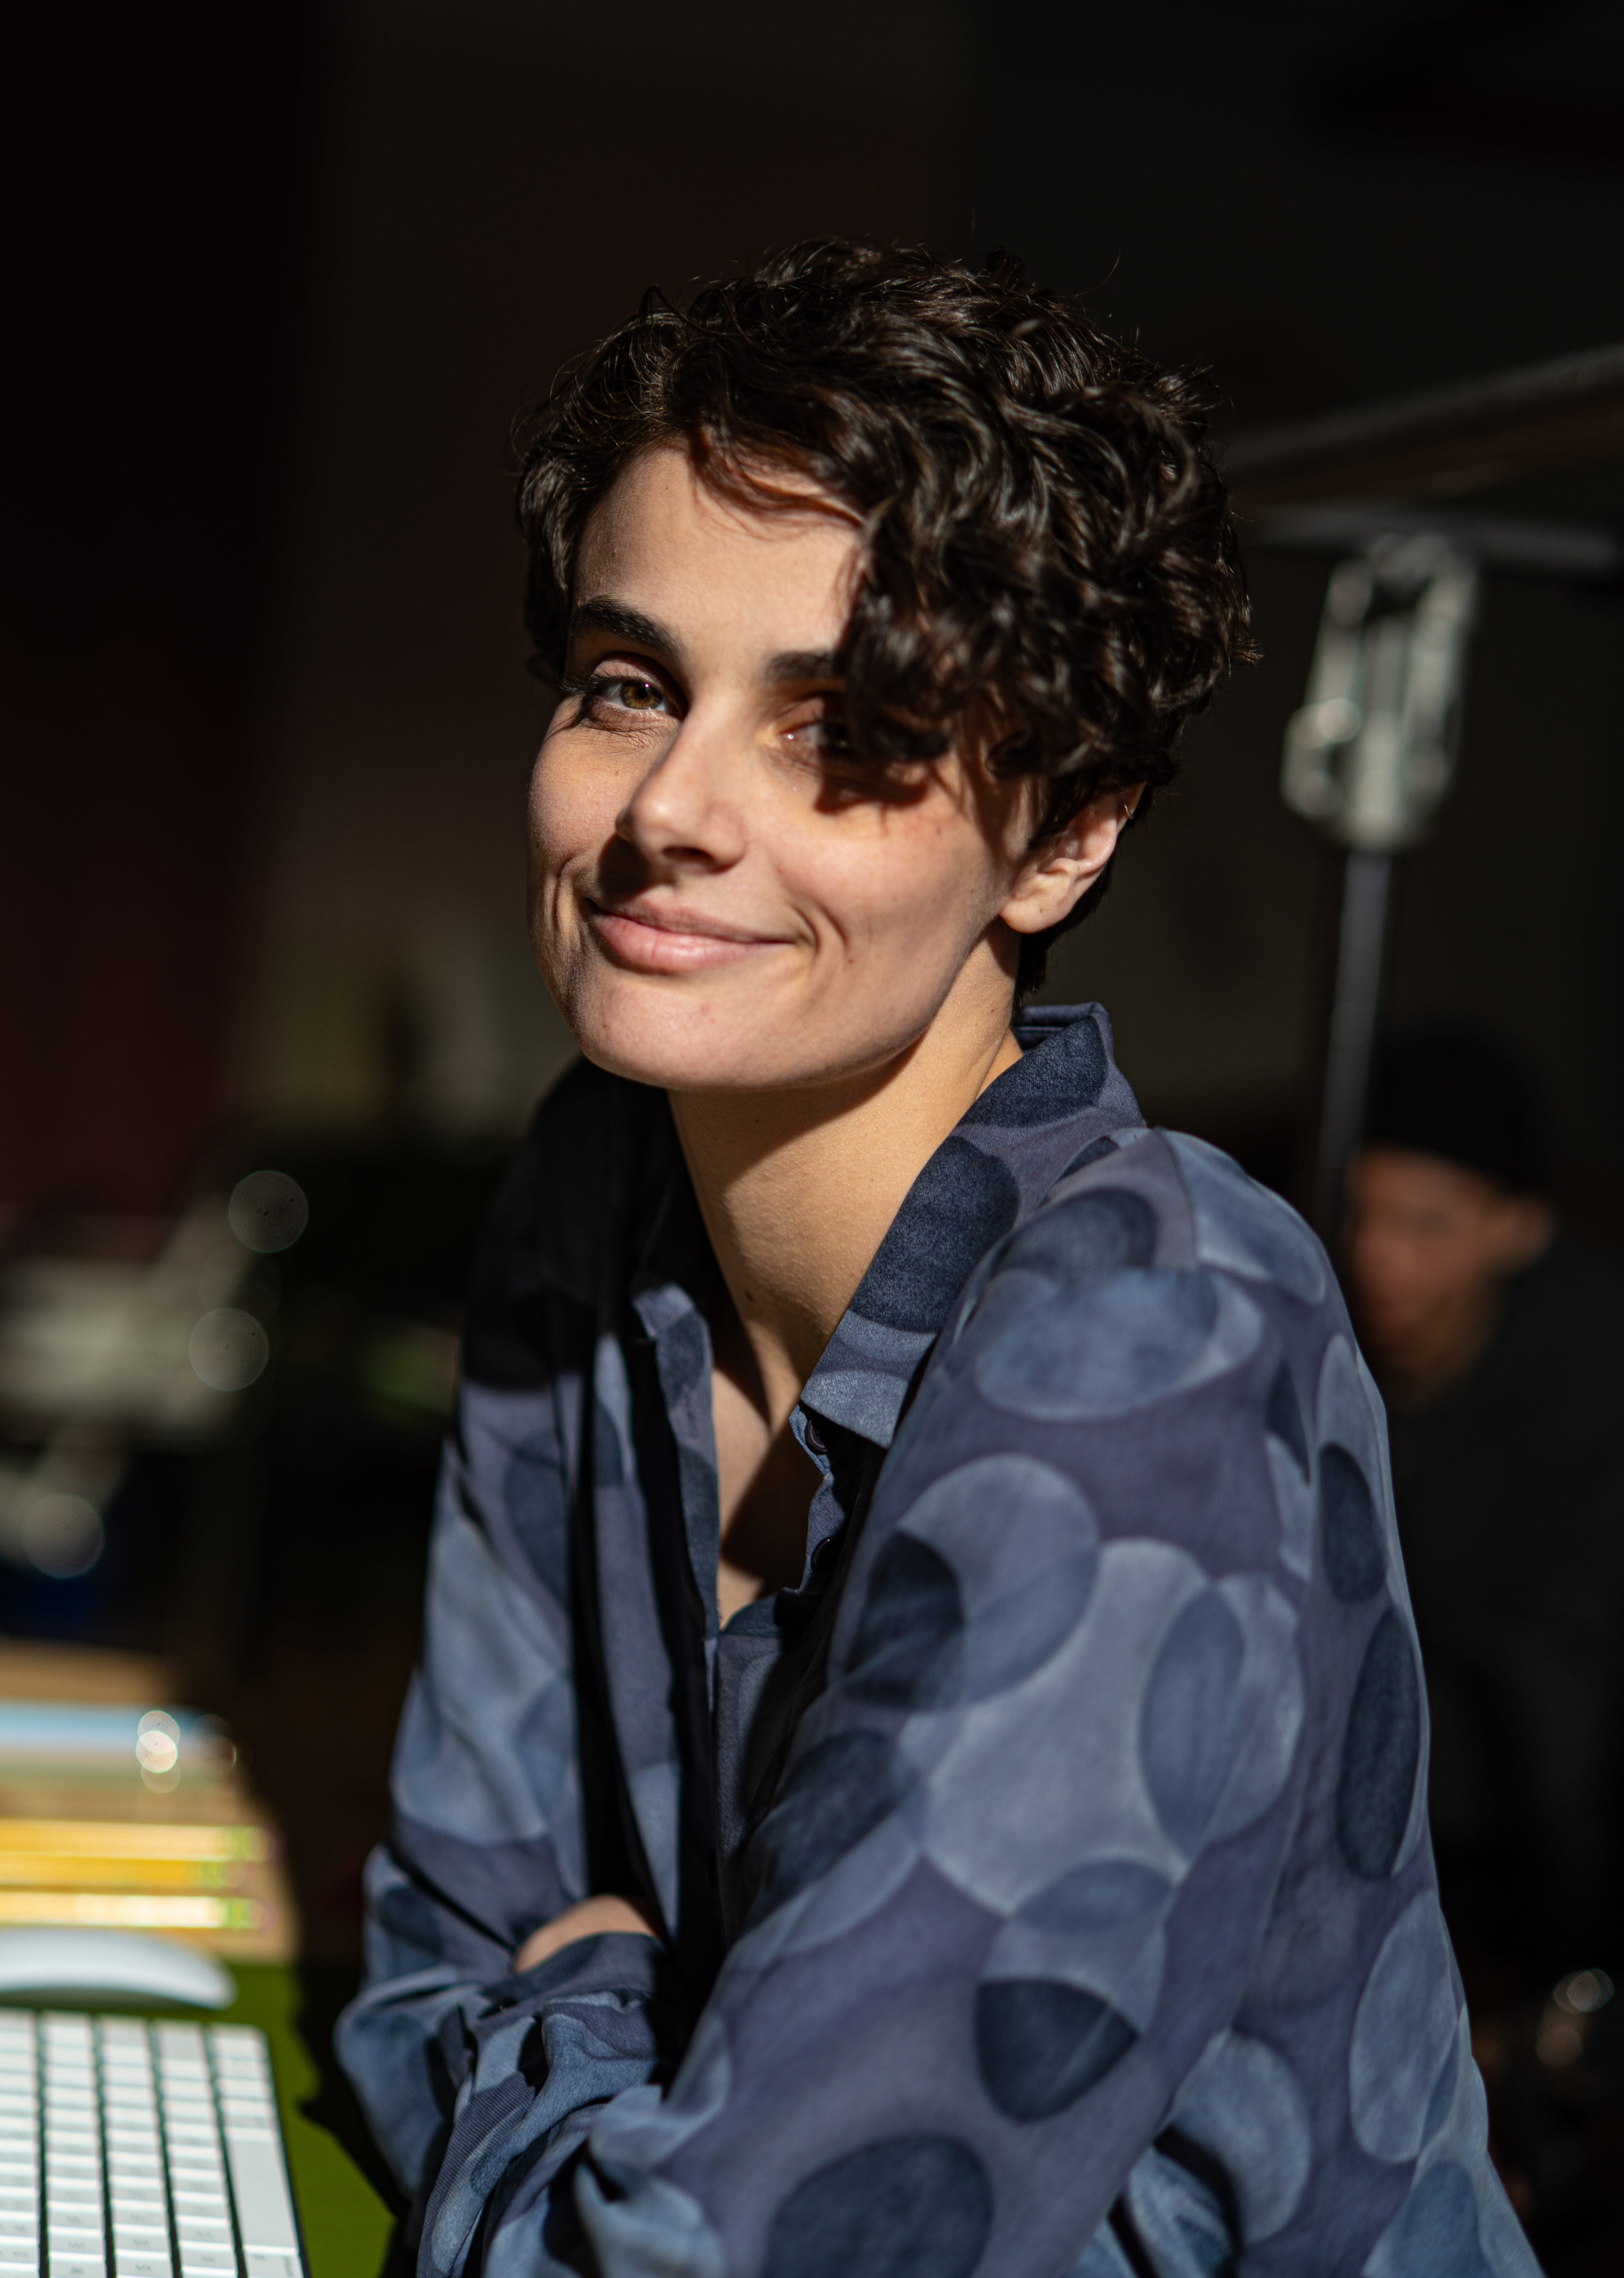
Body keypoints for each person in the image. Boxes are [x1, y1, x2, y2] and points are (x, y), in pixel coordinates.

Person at [336, 242, 1535, 2278]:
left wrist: (587, 2001)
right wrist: (640, 2083)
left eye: (846, 726)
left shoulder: (1158, 1342)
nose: (673, 810)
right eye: (631, 683)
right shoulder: (592, 1184)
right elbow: (419, 1967)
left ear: (1067, 833)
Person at [1346, 1033, 1624, 1979]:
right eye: (1364, 1214)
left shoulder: (1592, 1386)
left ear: (1517, 1228)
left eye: (1427, 1226)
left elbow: (1555, 1715)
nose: (1380, 1255)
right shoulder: (1319, 1333)